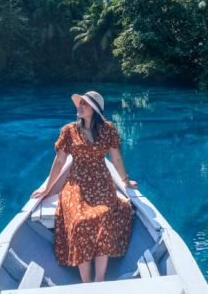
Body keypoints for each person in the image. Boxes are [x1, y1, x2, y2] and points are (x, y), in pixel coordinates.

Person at [30, 91, 137, 283]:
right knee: (80, 221)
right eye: (79, 104)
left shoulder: (108, 130)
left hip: (102, 183)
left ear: (94, 110)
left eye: (84, 104)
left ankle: (100, 279)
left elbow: (116, 157)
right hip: (76, 184)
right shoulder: (69, 130)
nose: (79, 107)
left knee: (104, 215)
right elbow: (60, 160)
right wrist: (48, 188)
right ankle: (86, 282)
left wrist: (125, 181)